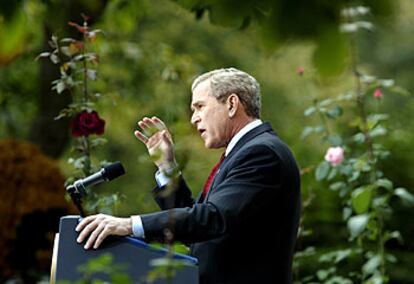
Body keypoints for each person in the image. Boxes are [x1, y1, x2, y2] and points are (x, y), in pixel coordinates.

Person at [76, 67, 301, 284]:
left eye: (200, 107)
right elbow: (198, 226)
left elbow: (212, 218)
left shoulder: (262, 153)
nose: (194, 118)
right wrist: (167, 166)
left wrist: (129, 225)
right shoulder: (246, 151)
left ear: (232, 104)